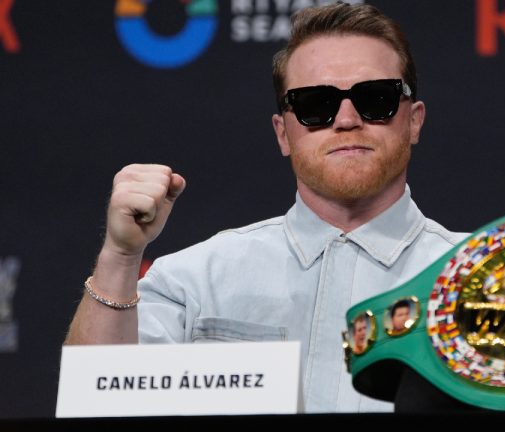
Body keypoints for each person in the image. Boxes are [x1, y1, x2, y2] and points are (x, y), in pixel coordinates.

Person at [63, 2, 466, 413]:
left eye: (375, 98)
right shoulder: (193, 281)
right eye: (315, 104)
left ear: (414, 120)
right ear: (283, 133)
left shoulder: (482, 280)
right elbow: (95, 405)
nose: (346, 119)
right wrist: (121, 257)